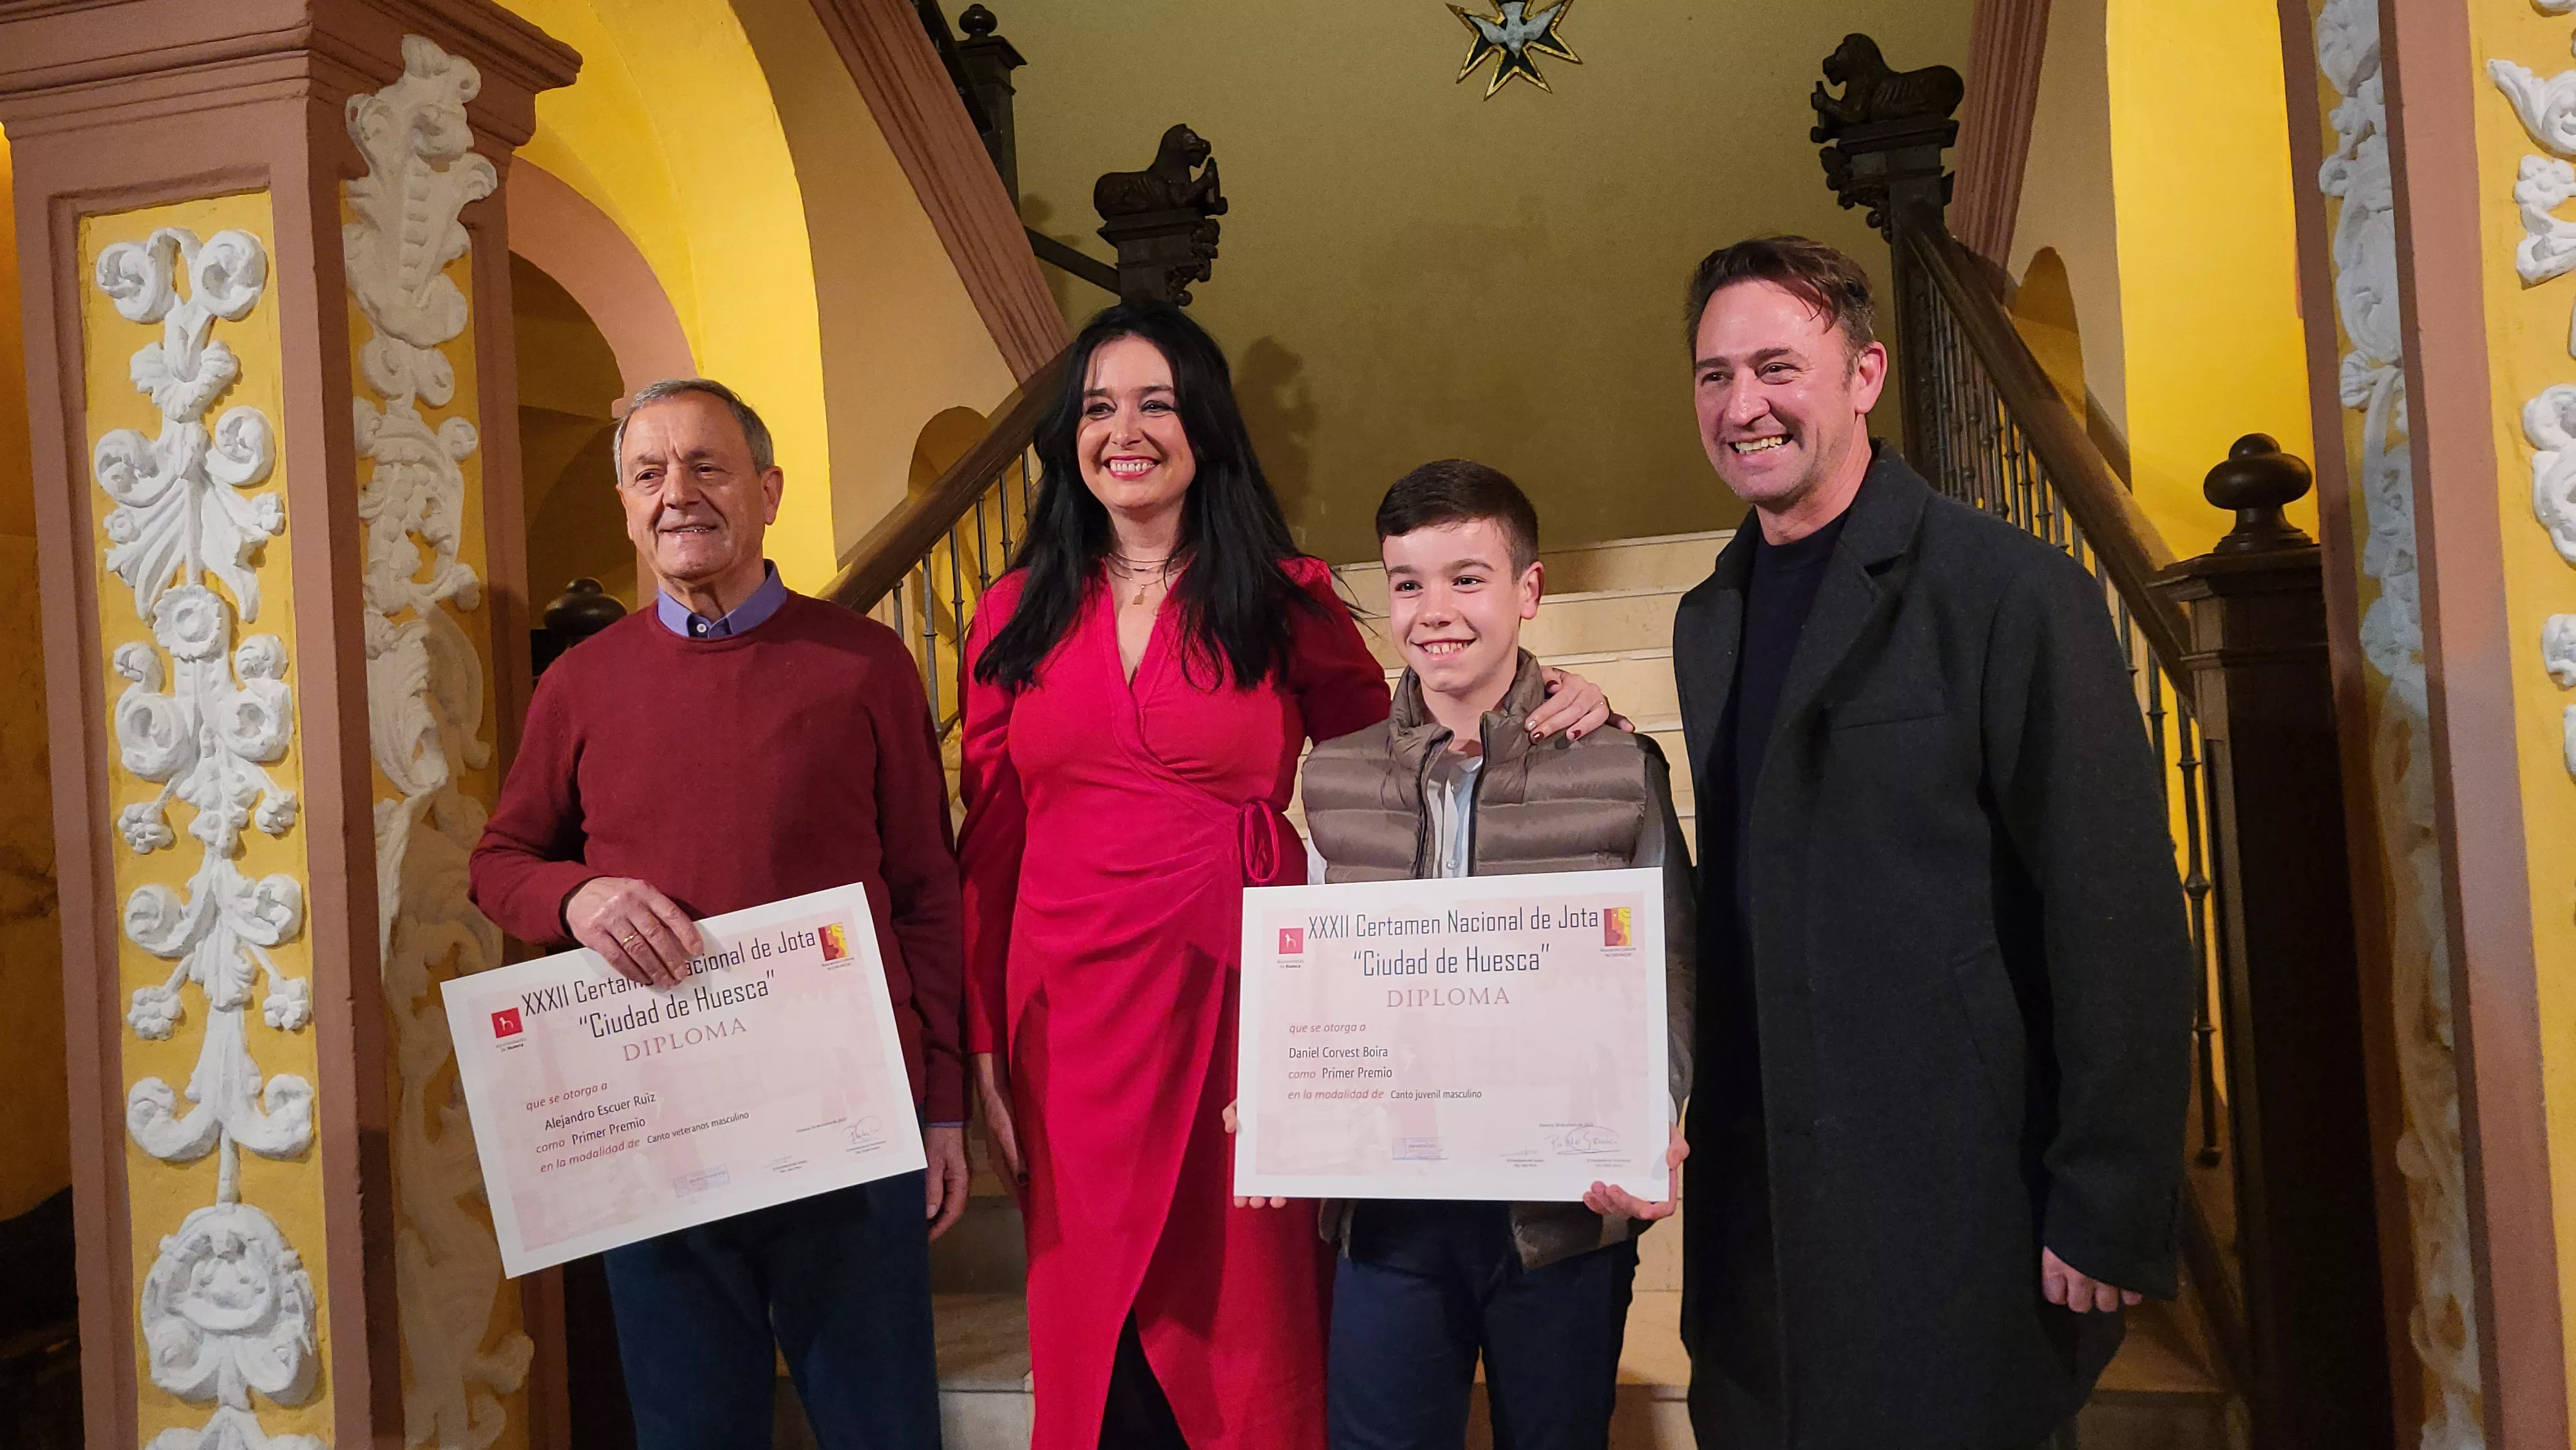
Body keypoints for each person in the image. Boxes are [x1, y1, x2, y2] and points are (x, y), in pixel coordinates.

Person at [956, 304, 1613, 1450]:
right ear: (1071, 433)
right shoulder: (1011, 614)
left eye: (1156, 402)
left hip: (1243, 1003)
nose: (1126, 429)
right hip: (1065, 1019)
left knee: (1249, 1319)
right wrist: (978, 1047)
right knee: (1093, 1323)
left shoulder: (1282, 591)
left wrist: (1548, 694)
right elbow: (992, 839)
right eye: (1100, 406)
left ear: (1203, 422)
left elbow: (1411, 744)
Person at [1668, 236, 2193, 1449]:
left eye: (1775, 367)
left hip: (1953, 1197)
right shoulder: (1710, 620)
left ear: (1863, 373)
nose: (1742, 406)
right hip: (1761, 1214)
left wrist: (2109, 1194)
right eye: (1712, 376)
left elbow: (2111, 910)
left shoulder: (2010, 591)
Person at [468, 378, 971, 1450]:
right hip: (658, 1132)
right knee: (692, 1432)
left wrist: (942, 1107)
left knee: (882, 1428)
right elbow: (501, 862)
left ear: (767, 490)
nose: (677, 494)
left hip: (846, 1119)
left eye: (708, 466)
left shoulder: (864, 664)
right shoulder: (579, 684)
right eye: (649, 473)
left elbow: (928, 891)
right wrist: (578, 893)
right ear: (624, 503)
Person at [1298, 460, 1694, 1450]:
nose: (1436, 611)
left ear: (1529, 590)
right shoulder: (1335, 776)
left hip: (1558, 1215)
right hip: (1389, 1212)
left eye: (1468, 578)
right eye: (1407, 582)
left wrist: (1657, 1115)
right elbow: (1317, 976)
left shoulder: (1616, 764)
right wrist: (1282, 1080)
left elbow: (1670, 970)